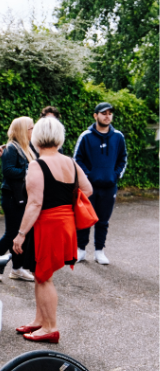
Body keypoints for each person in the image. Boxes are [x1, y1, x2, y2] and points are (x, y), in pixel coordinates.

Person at [10, 117, 94, 343]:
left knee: (44, 276)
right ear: (59, 136)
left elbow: (35, 203)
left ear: (36, 137)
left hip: (48, 225)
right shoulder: (70, 162)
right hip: (65, 224)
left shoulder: (38, 164)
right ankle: (40, 320)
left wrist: (20, 234)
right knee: (40, 275)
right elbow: (88, 189)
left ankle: (50, 326)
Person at [73, 102, 128, 265]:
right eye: (104, 113)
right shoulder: (86, 136)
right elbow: (77, 160)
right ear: (95, 115)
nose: (107, 116)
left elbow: (123, 159)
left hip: (109, 186)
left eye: (110, 113)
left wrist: (115, 175)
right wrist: (87, 177)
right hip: (89, 187)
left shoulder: (118, 136)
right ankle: (80, 249)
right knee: (84, 218)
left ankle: (99, 251)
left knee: (103, 220)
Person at [0, 117, 37, 282]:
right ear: (23, 131)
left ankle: (17, 269)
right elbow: (8, 171)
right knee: (11, 234)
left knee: (23, 233)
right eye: (31, 128)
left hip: (22, 197)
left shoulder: (26, 148)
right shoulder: (11, 148)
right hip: (12, 197)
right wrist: (28, 170)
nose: (33, 131)